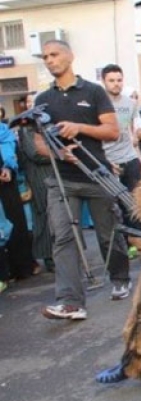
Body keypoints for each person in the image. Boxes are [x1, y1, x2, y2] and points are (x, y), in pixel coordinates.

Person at [36, 40, 131, 320]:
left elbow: (113, 132)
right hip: (62, 180)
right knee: (64, 238)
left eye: (54, 54)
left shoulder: (93, 91)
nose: (49, 60)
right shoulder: (42, 100)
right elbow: (39, 143)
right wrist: (59, 152)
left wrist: (79, 127)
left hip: (96, 175)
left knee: (108, 232)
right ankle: (70, 301)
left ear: (70, 56)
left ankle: (120, 277)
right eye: (45, 57)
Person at [100, 64, 141, 261]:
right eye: (112, 80)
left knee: (136, 203)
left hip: (129, 158)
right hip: (108, 161)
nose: (116, 84)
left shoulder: (130, 103)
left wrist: (140, 158)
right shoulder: (100, 104)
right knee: (116, 206)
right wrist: (103, 161)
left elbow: (131, 134)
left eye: (119, 80)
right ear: (104, 82)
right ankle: (127, 243)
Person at [17, 92, 55, 273]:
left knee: (57, 215)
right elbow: (35, 154)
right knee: (44, 215)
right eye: (30, 102)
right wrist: (58, 155)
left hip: (53, 174)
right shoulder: (26, 129)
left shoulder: (47, 124)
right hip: (39, 177)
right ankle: (48, 256)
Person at [0, 106, 38, 282]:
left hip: (7, 182)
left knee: (16, 222)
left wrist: (8, 167)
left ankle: (22, 267)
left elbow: (12, 155)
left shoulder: (4, 132)